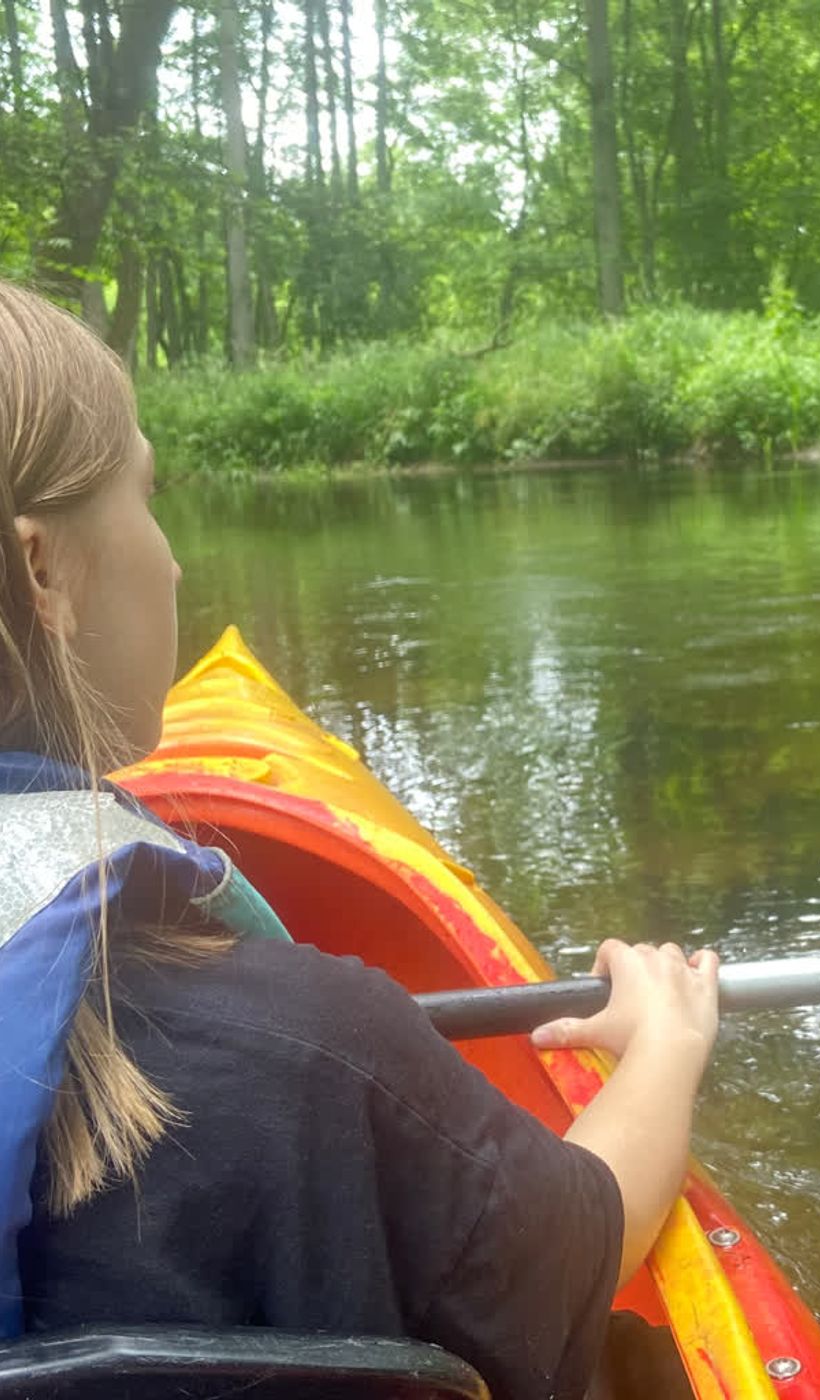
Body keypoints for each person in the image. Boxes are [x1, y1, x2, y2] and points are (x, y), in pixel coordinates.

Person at [0, 279, 720, 1400]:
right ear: (43, 570)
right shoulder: (313, 1049)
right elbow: (579, 1245)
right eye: (146, 493)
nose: (173, 561)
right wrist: (668, 1039)